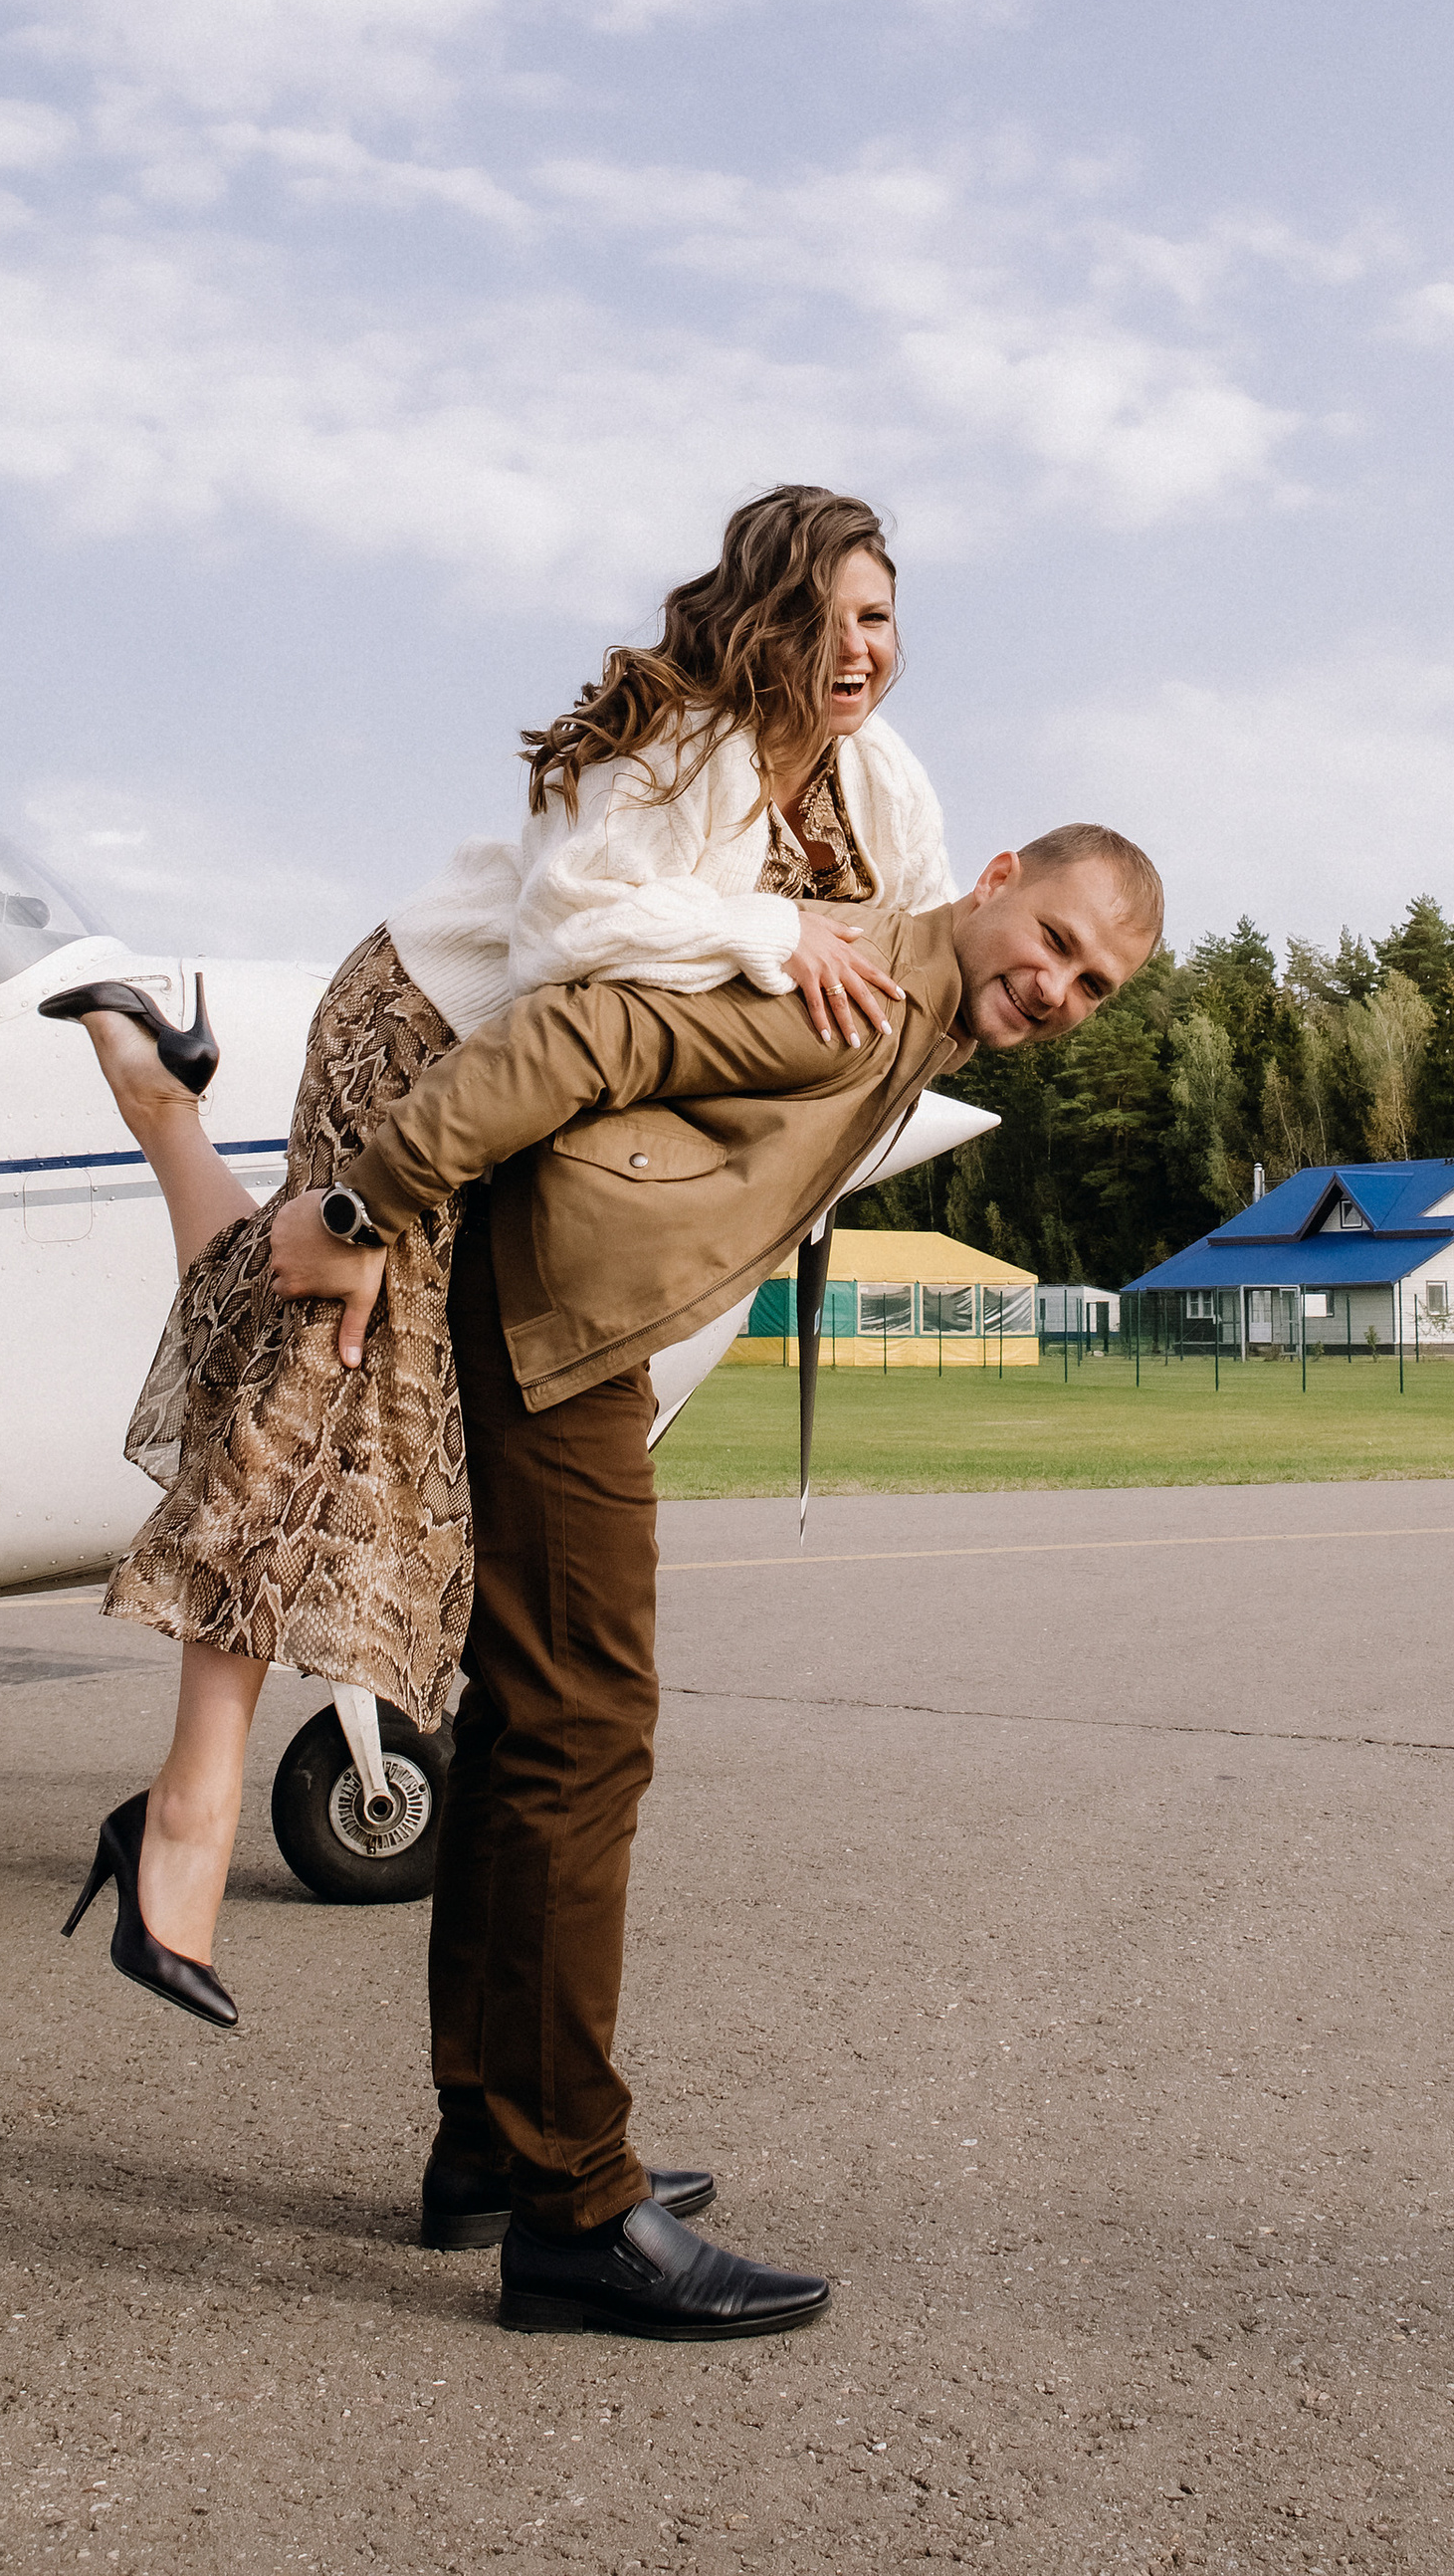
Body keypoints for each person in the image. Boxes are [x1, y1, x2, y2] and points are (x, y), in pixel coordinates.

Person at [50, 487, 950, 2031]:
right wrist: (766, 934)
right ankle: (182, 1831)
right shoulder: (683, 743)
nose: (862, 648)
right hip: (431, 1035)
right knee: (323, 1388)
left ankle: (162, 1108)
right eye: (829, 617)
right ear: (765, 622)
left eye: (880, 617)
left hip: (536, 1091)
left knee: (284, 1321)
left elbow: (904, 953)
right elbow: (565, 935)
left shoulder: (882, 786)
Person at [265, 821, 1164, 2342]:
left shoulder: (905, 1010)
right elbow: (582, 1030)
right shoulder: (860, 986)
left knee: (527, 1723)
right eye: (1060, 943)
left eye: (1099, 986)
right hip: (567, 1332)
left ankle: (489, 2144)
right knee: (583, 1730)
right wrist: (370, 1200)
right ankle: (573, 2203)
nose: (1066, 990)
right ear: (996, 875)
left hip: (574, 1317)